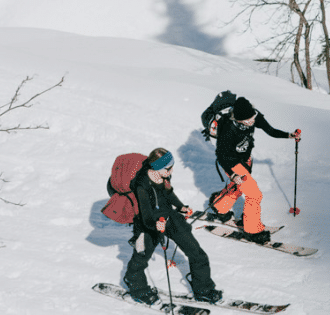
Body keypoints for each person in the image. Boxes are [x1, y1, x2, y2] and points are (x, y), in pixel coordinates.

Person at [123, 148, 222, 304]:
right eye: (168, 168)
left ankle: (203, 289)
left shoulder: (163, 176)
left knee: (197, 252)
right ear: (156, 167)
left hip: (169, 217)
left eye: (172, 166)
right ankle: (135, 284)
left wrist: (181, 207)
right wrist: (155, 225)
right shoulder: (142, 185)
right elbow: (145, 215)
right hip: (148, 224)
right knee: (141, 257)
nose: (171, 170)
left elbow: (168, 193)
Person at [208, 97, 301, 244]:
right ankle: (252, 230)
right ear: (238, 120)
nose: (252, 123)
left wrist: (289, 135)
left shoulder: (254, 115)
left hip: (246, 160)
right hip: (231, 162)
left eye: (252, 119)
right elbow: (221, 155)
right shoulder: (228, 128)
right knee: (254, 194)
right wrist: (232, 174)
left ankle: (220, 206)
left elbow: (270, 130)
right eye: (247, 121)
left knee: (240, 187)